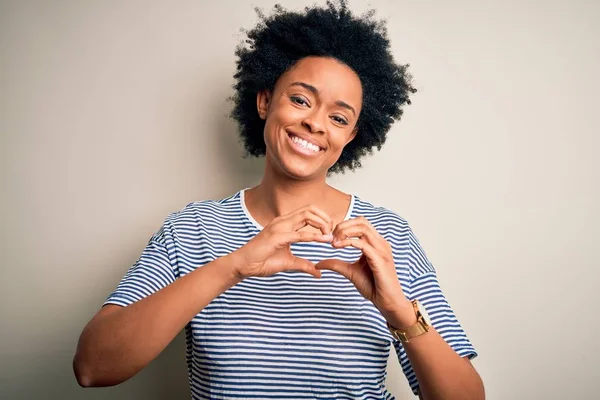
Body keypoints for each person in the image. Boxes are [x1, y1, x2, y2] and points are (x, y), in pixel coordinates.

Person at [73, 1, 484, 399]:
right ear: (265, 101)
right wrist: (234, 266)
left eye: (339, 118)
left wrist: (399, 313)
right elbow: (92, 368)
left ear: (352, 136)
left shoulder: (384, 236)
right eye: (301, 100)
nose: (315, 122)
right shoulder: (192, 230)